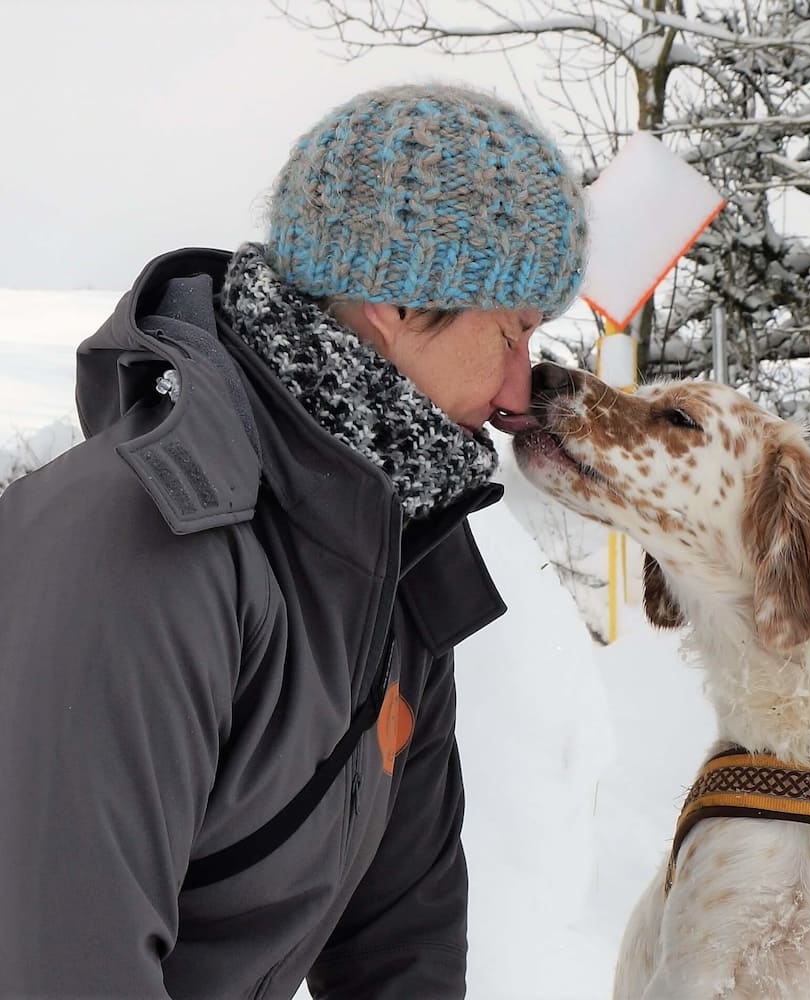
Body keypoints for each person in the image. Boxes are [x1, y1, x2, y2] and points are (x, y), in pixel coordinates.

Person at [0, 83, 587, 999]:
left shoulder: (395, 542)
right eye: (511, 333)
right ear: (397, 296)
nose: (518, 395)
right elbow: (62, 966)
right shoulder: (141, 547)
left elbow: (403, 935)